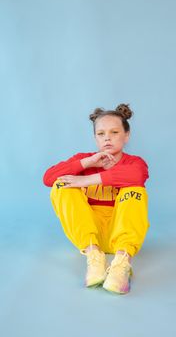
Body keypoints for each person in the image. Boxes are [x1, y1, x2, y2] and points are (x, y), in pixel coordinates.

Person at [42, 103, 150, 294]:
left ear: (127, 136)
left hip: (121, 234)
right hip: (90, 235)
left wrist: (86, 180)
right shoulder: (84, 159)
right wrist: (88, 162)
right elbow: (48, 178)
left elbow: (137, 176)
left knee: (135, 190)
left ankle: (122, 263)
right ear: (95, 138)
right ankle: (94, 257)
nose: (107, 137)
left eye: (114, 132)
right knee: (61, 185)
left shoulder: (134, 163)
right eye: (101, 134)